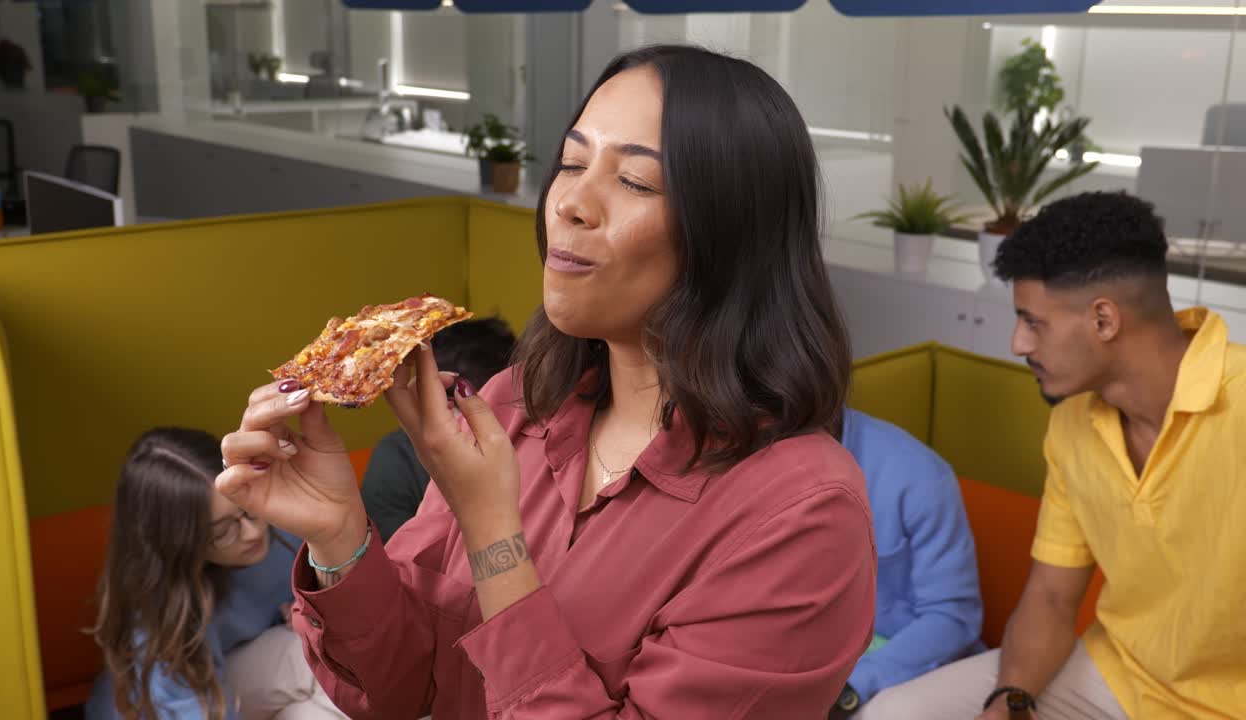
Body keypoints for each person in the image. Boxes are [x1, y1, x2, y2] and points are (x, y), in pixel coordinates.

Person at [216, 44, 876, 719]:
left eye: (636, 183)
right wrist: (338, 537)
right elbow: (397, 690)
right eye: (571, 163)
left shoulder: (803, 514)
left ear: (732, 233)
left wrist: (493, 535)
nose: (571, 205)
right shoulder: (514, 403)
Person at [862, 192, 1246, 719]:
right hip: (1114, 675)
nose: (1018, 343)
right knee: (894, 712)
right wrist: (1009, 700)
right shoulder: (1071, 422)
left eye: (1033, 321)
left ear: (1104, 320)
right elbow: (1050, 597)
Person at [87, 427, 345, 720]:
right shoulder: (162, 607)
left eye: (248, 508)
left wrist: (301, 610)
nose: (251, 532)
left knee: (322, 685)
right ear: (177, 542)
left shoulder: (280, 534)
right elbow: (191, 708)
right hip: (166, 710)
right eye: (222, 531)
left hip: (247, 683)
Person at [828, 408, 984, 719]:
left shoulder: (917, 474)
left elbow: (953, 617)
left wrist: (850, 689)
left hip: (907, 667)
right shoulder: (736, 461)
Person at [360, 316, 516, 542]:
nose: (475, 427)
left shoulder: (525, 444)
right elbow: (396, 561)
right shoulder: (395, 457)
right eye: (455, 408)